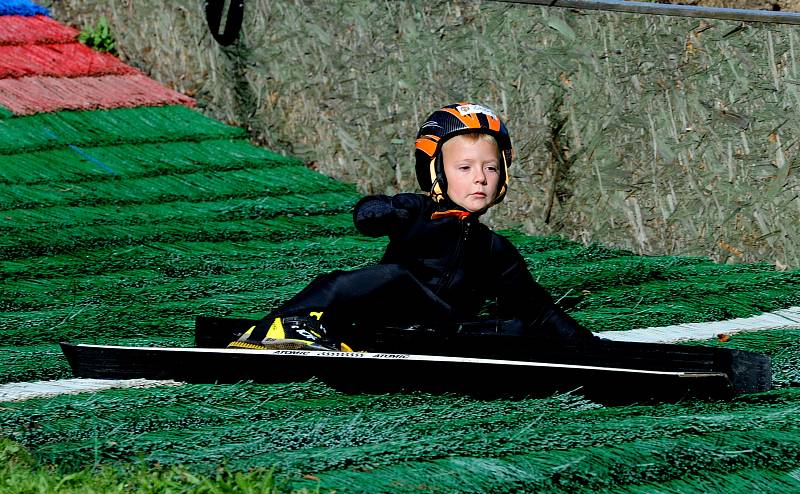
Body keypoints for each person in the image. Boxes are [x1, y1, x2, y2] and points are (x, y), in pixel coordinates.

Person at [228, 103, 594, 351]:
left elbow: (541, 311)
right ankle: (281, 326)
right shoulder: (418, 211)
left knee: (520, 327)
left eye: (491, 168)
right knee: (390, 276)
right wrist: (383, 210)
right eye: (464, 168)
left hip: (442, 330)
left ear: (503, 178)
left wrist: (594, 348)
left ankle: (290, 328)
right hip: (387, 317)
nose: (480, 178)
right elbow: (366, 215)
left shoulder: (496, 249)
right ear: (436, 173)